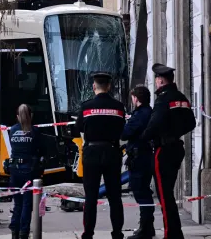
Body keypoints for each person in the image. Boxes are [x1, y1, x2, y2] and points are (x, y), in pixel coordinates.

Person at [140, 63, 196, 239]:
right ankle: (175, 232)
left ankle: (171, 234)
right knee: (169, 194)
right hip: (176, 148)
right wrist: (175, 131)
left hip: (163, 151)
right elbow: (191, 123)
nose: (156, 82)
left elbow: (154, 124)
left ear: (160, 80)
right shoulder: (181, 97)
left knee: (165, 196)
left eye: (157, 79)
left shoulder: (163, 99)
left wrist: (142, 139)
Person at [75, 72, 126, 239]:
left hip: (91, 153)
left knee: (90, 197)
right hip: (112, 152)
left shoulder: (86, 106)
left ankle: (88, 233)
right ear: (109, 86)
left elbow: (79, 128)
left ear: (93, 86)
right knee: (114, 196)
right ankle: (117, 233)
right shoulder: (119, 107)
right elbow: (122, 129)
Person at [121, 85, 155, 239]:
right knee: (143, 191)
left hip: (140, 157)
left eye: (133, 97)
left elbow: (125, 133)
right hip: (144, 156)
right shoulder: (148, 112)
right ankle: (147, 227)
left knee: (140, 192)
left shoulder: (141, 114)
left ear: (136, 98)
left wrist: (124, 124)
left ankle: (145, 229)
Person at [8, 104, 44, 239]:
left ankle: (14, 231)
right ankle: (24, 232)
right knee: (27, 204)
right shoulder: (35, 131)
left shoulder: (12, 130)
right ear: (31, 116)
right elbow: (41, 149)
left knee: (17, 203)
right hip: (30, 171)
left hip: (15, 170)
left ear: (17, 116)